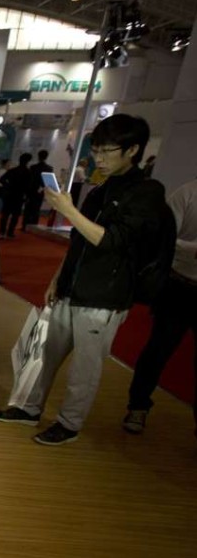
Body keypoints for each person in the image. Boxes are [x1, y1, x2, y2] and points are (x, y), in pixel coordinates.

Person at [0, 114, 164, 445]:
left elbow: (113, 240)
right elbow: (79, 242)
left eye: (106, 151)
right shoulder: (102, 189)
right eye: (96, 150)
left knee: (84, 369)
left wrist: (68, 210)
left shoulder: (147, 194)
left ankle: (69, 424)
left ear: (133, 150)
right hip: (72, 288)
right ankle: (28, 409)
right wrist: (58, 276)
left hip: (105, 298)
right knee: (45, 354)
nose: (98, 157)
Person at [123, 177, 197, 436]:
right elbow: (164, 237)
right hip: (179, 285)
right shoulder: (187, 193)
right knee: (158, 349)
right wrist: (192, 249)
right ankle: (138, 406)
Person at [0, 153, 32, 238]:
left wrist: (7, 186)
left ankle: (2, 231)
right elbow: (28, 186)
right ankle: (10, 232)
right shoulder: (27, 172)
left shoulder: (12, 170)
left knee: (5, 214)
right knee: (15, 216)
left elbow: (2, 179)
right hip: (19, 196)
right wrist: (27, 196)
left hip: (9, 195)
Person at [23, 149, 52, 229]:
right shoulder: (49, 168)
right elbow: (47, 181)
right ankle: (34, 225)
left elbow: (29, 180)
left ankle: (25, 225)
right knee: (36, 208)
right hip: (41, 191)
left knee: (28, 208)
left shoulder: (33, 167)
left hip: (31, 190)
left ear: (38, 157)